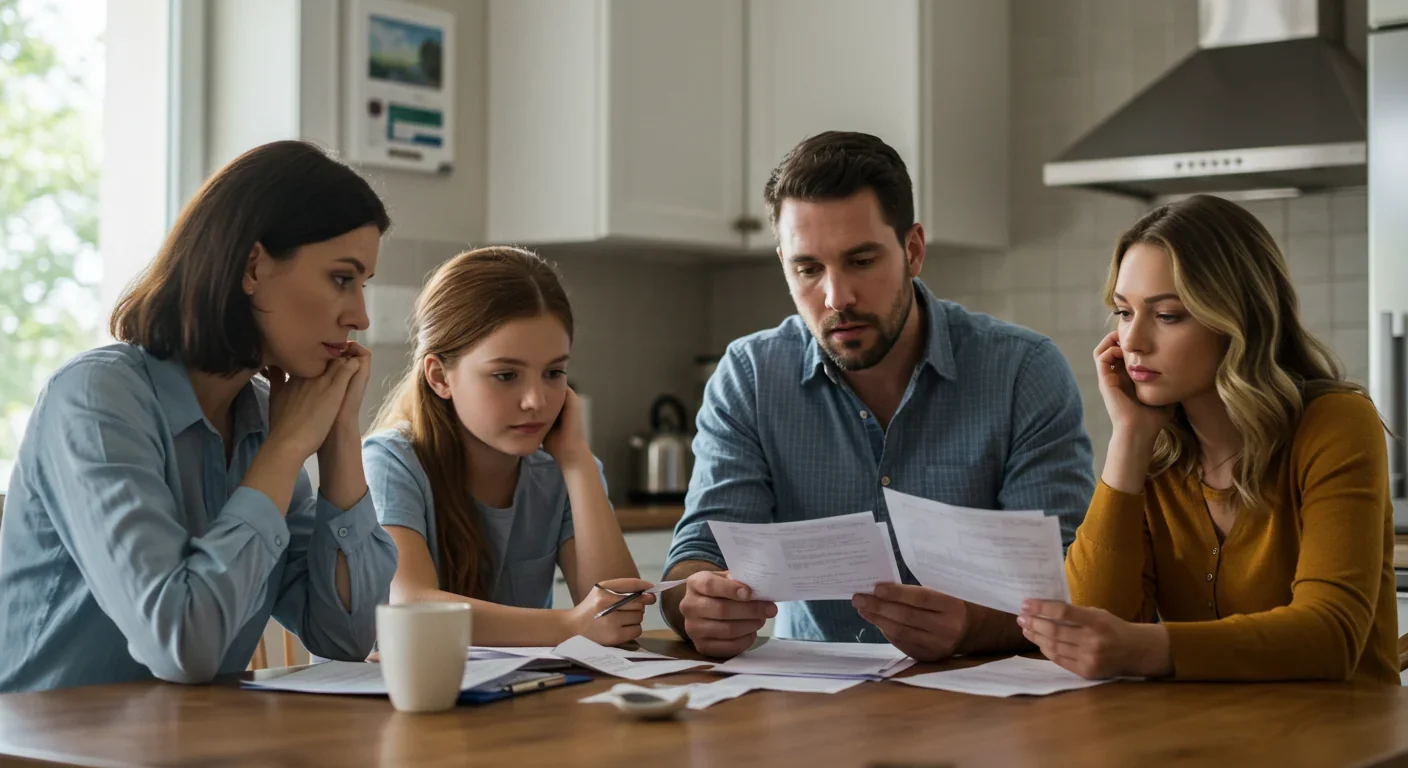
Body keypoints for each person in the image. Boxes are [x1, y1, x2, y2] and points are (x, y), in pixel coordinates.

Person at [662, 131, 1095, 659]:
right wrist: (696, 603)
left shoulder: (1021, 372)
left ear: (913, 250)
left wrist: (973, 627)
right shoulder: (749, 376)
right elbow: (699, 554)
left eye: (861, 261)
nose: (836, 297)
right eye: (808, 268)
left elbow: (1069, 581)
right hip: (813, 704)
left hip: (986, 703)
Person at [0, 141, 399, 692]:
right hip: (47, 752)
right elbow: (182, 644)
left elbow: (345, 636)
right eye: (341, 278)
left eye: (363, 285)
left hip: (188, 746)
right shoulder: (95, 399)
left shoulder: (264, 415)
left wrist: (339, 440)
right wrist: (285, 451)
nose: (358, 315)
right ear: (252, 266)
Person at [1019, 194, 1400, 685]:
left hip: (1343, 747)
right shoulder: (1154, 454)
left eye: (1168, 315)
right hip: (1204, 742)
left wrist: (1149, 646)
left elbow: (1330, 635)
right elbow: (1088, 628)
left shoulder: (1335, 425)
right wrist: (1129, 440)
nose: (1132, 342)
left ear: (1237, 322)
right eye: (1124, 312)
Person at [364, 246, 652, 647]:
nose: (535, 400)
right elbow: (411, 606)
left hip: (513, 700)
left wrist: (578, 462)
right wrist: (571, 625)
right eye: (505, 375)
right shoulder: (391, 461)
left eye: (554, 372)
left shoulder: (563, 469)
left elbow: (617, 615)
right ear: (439, 377)